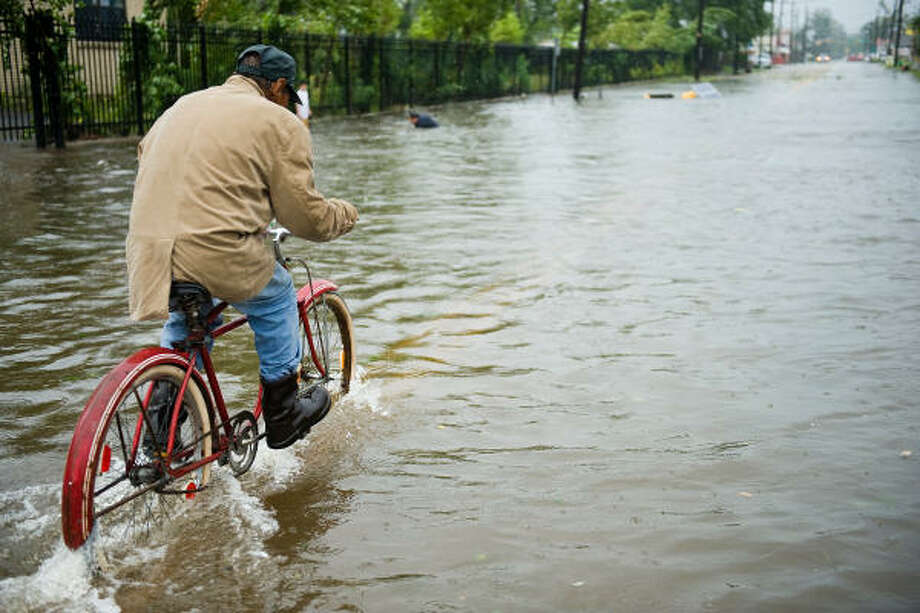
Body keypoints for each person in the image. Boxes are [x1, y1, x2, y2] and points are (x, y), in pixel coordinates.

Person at [126, 44, 358, 451]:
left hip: (149, 251)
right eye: (290, 98)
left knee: (189, 325)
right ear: (280, 86)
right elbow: (303, 216)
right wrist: (345, 214)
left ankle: (157, 438)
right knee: (278, 296)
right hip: (215, 251)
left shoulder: (181, 106)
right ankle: (284, 413)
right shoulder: (278, 123)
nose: (289, 106)